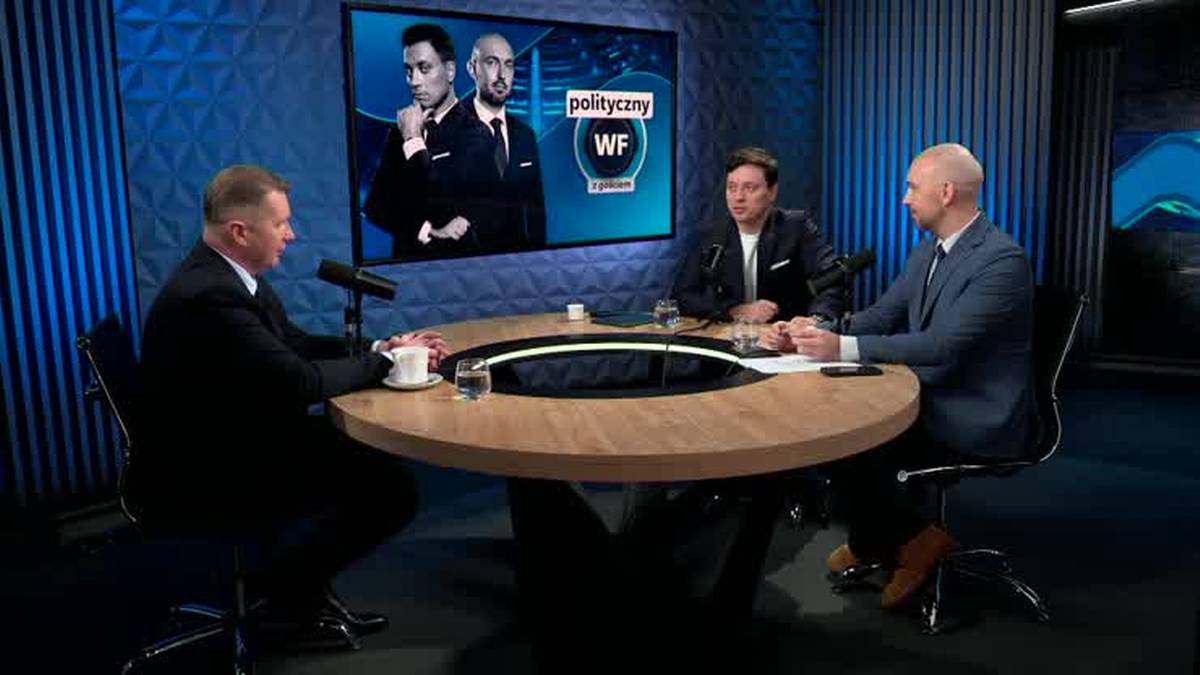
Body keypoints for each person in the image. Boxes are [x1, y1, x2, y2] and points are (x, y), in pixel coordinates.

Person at [135, 165, 451, 637]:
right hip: (211, 464)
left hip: (234, 431)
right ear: (240, 232)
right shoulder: (210, 296)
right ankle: (290, 587)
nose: (292, 235)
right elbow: (298, 381)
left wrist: (379, 348)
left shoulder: (227, 275)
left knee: (372, 459)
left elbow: (293, 344)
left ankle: (295, 583)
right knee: (392, 489)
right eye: (281, 223)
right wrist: (388, 364)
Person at [763, 143, 1035, 609]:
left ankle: (912, 541)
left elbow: (942, 344)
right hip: (932, 391)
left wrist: (841, 348)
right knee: (836, 422)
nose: (905, 198)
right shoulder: (929, 249)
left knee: (858, 437)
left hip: (974, 410)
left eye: (912, 187)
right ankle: (884, 539)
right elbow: (883, 314)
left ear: (946, 192)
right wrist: (818, 330)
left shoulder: (1001, 261)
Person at [672, 146, 843, 324]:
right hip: (730, 334)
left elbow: (832, 279)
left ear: (772, 192)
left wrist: (817, 320)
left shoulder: (797, 228)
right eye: (732, 188)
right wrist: (733, 310)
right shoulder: (711, 236)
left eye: (749, 188)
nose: (738, 197)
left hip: (785, 333)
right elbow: (682, 298)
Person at [363, 23, 475, 258]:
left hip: (459, 267)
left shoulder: (477, 132)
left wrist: (413, 140)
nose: (414, 81)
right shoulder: (401, 131)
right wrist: (427, 230)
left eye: (424, 69)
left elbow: (446, 206)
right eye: (409, 71)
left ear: (450, 71)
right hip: (404, 268)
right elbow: (375, 207)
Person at [454, 32, 547, 253]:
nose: (502, 75)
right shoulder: (450, 129)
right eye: (491, 63)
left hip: (519, 262)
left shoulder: (525, 136)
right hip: (465, 262)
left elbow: (536, 211)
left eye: (508, 65)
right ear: (472, 68)